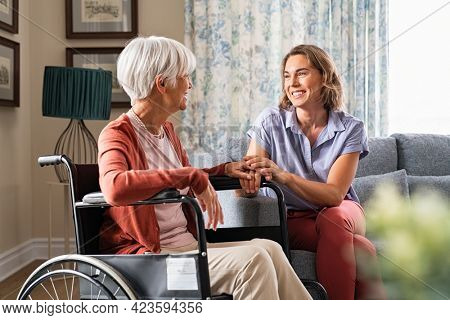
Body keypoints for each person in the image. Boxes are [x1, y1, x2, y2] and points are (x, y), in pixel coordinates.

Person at [97, 36, 312, 300]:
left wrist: (224, 170)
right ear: (162, 83)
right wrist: (190, 175)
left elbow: (180, 180)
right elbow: (114, 188)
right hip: (152, 263)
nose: (190, 84)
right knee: (253, 261)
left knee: (270, 248)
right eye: (185, 76)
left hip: (186, 248)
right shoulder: (117, 134)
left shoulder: (166, 131)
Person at [241, 44, 385, 299]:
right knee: (361, 248)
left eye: (302, 73)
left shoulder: (350, 128)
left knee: (335, 217)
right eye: (287, 75)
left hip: (344, 212)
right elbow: (248, 180)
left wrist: (284, 176)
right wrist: (248, 180)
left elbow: (334, 196)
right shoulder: (270, 121)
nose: (292, 82)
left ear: (325, 77)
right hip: (296, 219)